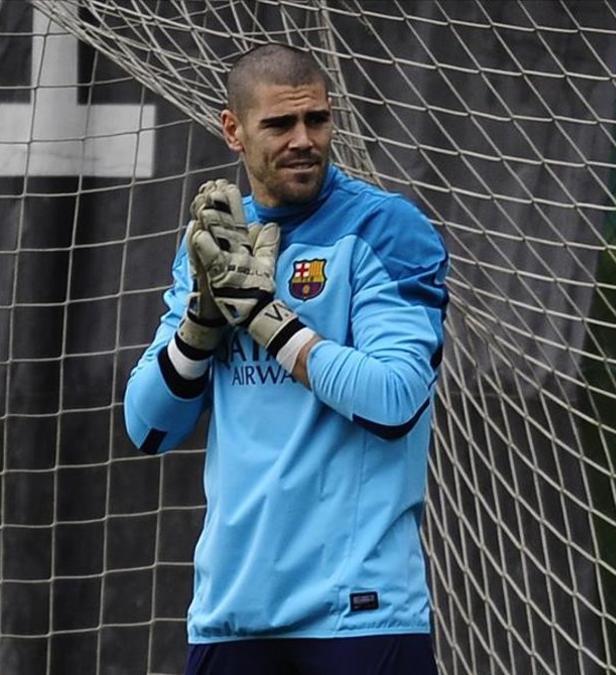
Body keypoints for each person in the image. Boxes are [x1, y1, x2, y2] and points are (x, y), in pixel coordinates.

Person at [123, 43, 447, 675]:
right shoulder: (217, 244)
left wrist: (268, 321)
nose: (304, 140)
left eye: (317, 120)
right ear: (232, 129)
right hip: (232, 614)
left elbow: (395, 401)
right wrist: (202, 321)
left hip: (358, 614)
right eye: (280, 124)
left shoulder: (387, 231)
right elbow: (148, 426)